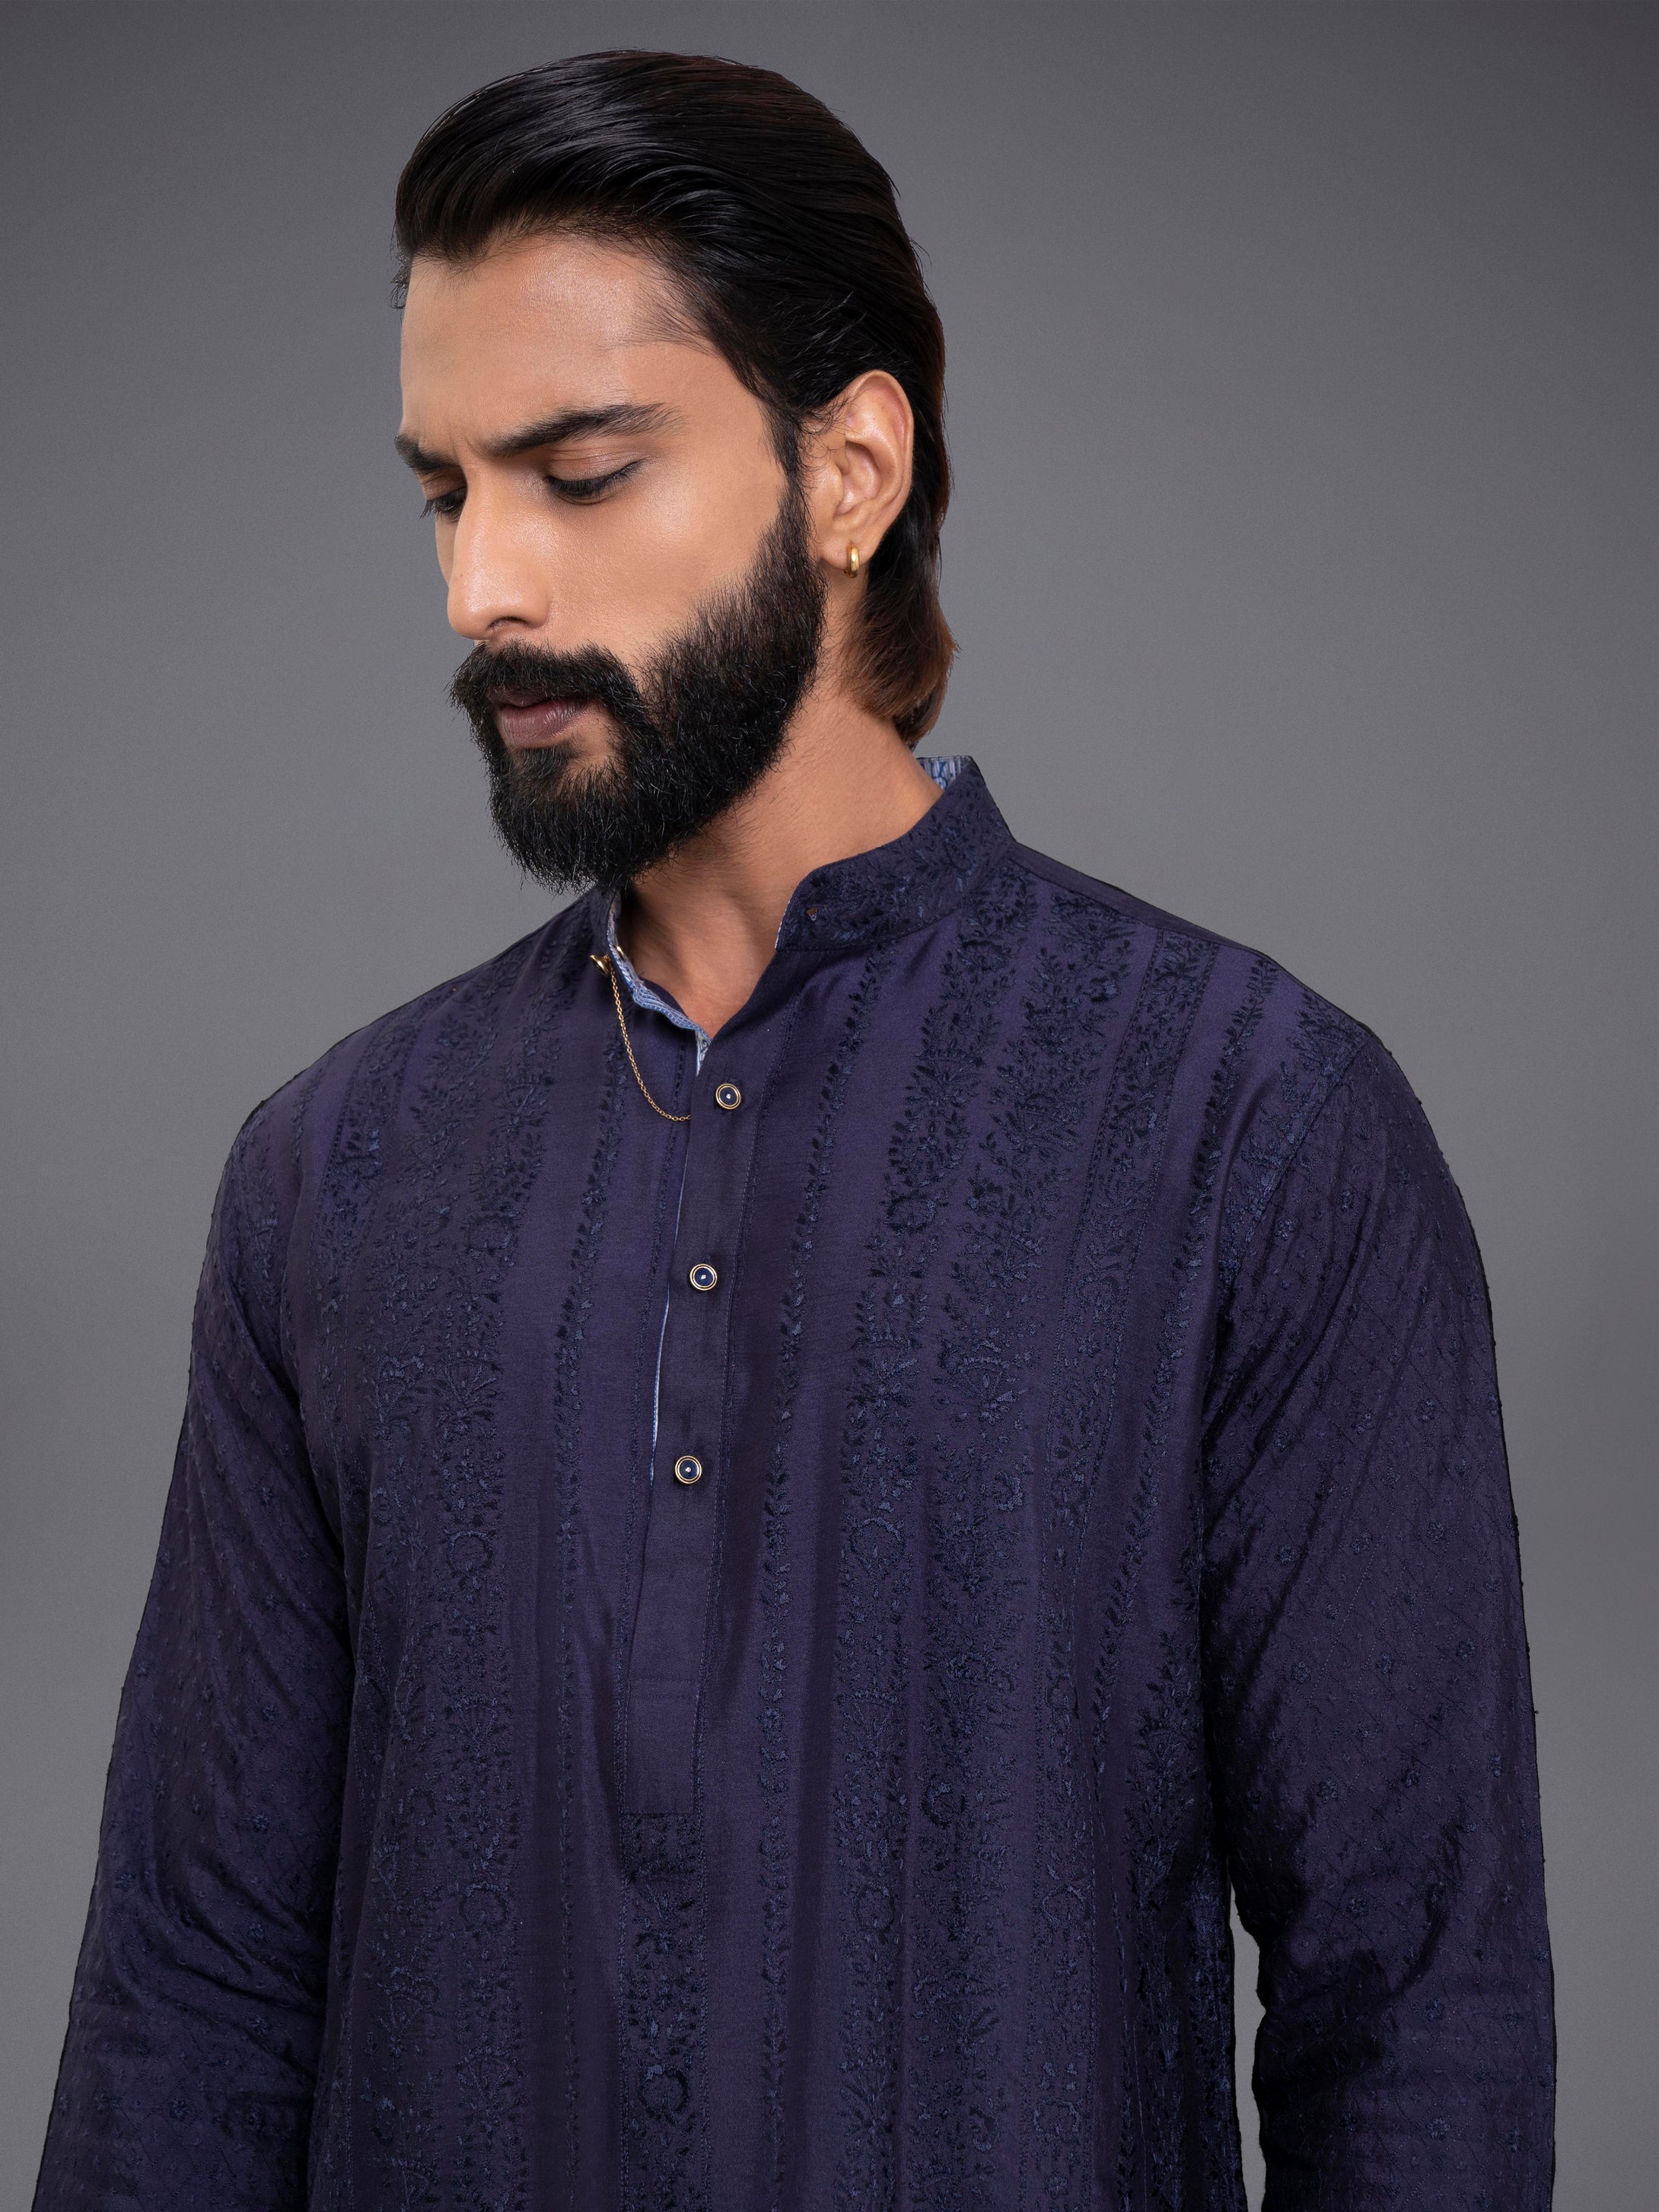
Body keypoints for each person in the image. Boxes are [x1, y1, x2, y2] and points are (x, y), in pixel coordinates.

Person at [33, 50, 1554, 2212]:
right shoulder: (339, 1167)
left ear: (847, 473)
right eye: (446, 492)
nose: (481, 587)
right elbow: (189, 2003)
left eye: (579, 474)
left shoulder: (1255, 1129)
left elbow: (1413, 2015)